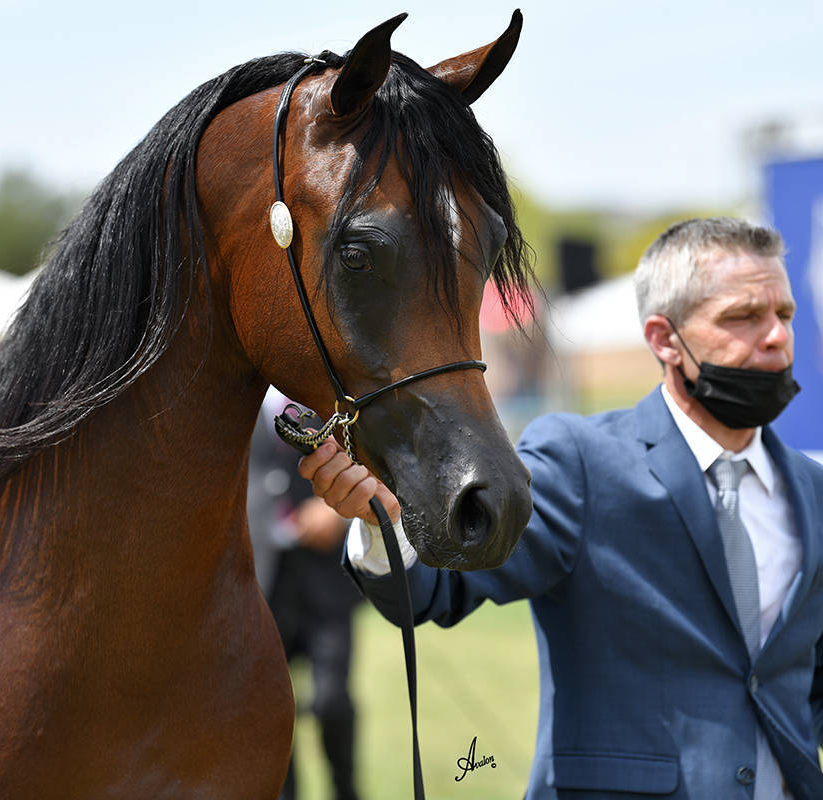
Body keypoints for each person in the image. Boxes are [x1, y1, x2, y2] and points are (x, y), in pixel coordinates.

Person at [298, 218, 823, 799]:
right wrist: (384, 521)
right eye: (743, 317)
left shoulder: (813, 491)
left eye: (785, 315)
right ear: (664, 338)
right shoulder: (582, 464)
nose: (776, 336)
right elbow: (435, 589)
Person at [247, 387, 362, 800]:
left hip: (325, 580)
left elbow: (365, 462)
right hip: (262, 581)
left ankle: (347, 790)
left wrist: (338, 513)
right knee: (274, 712)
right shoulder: (234, 395)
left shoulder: (322, 393)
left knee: (332, 700)